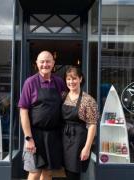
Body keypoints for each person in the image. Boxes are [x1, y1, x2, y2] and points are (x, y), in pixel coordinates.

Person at [18, 50, 66, 180]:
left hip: (53, 136)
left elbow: (65, 105)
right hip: (35, 135)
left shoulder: (59, 83)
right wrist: (28, 138)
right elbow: (23, 111)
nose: (45, 64)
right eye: (42, 61)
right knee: (34, 172)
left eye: (48, 61)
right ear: (37, 64)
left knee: (48, 172)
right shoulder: (30, 82)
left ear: (53, 63)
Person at [62, 66, 98, 180]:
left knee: (73, 174)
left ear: (80, 79)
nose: (71, 82)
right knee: (64, 172)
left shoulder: (88, 100)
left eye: (74, 78)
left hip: (78, 141)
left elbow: (92, 125)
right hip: (63, 138)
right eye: (68, 79)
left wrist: (87, 148)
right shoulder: (63, 96)